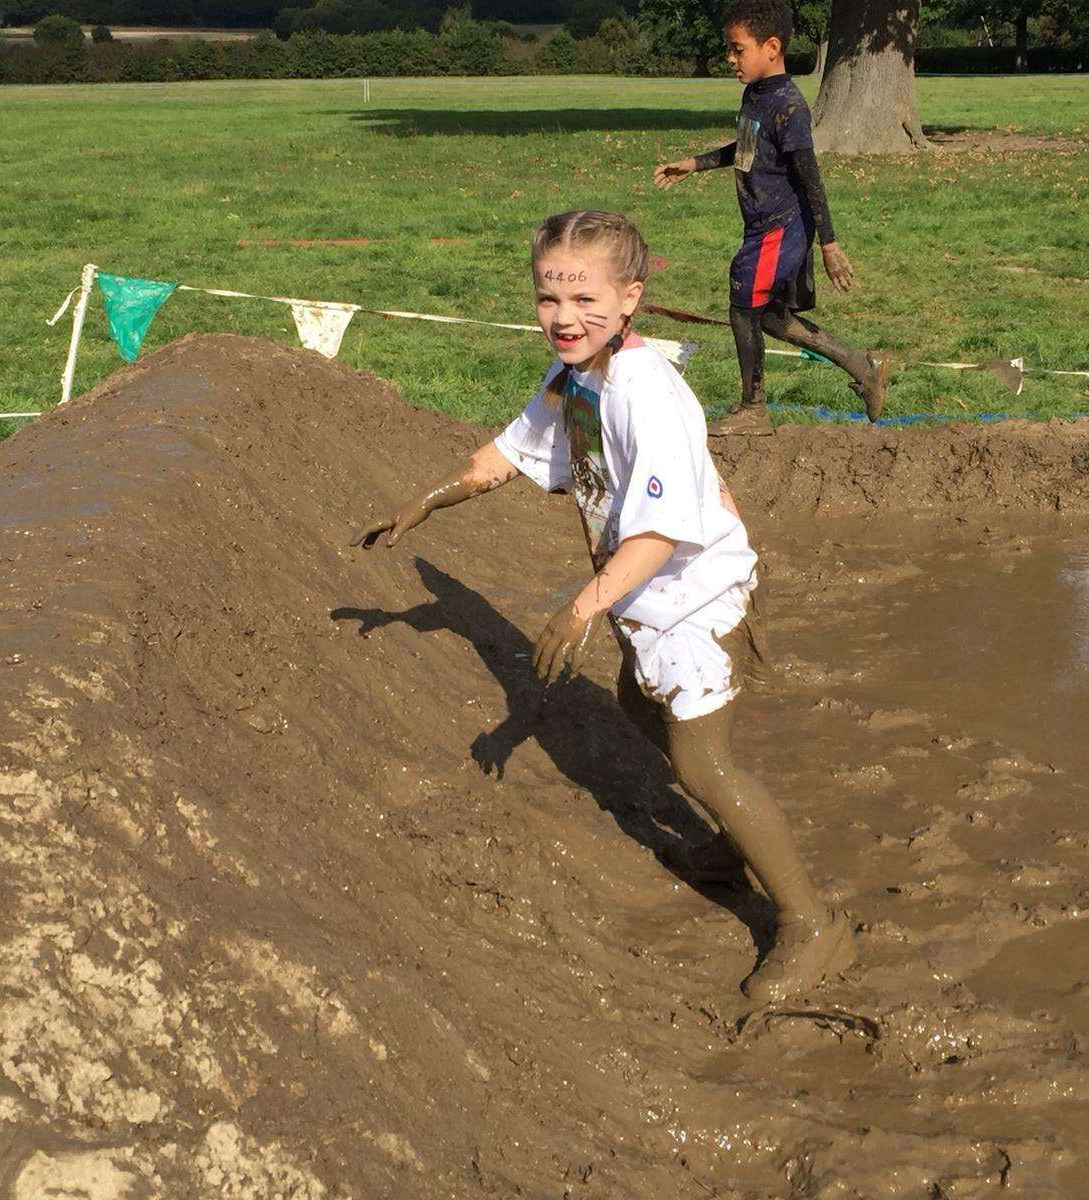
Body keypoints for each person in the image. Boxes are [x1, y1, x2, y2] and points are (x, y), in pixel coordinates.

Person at [352, 210, 855, 1003]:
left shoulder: (645, 395)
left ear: (631, 299)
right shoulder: (575, 375)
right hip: (637, 585)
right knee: (633, 698)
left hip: (691, 590)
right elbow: (508, 452)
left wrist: (577, 609)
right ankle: (730, 845)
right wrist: (425, 503)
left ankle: (809, 921)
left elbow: (656, 536)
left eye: (582, 298)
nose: (562, 317)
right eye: (549, 297)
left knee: (702, 759)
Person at [654, 0, 889, 436]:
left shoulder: (789, 106)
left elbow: (811, 177)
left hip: (781, 228)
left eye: (737, 49)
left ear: (772, 46)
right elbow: (746, 151)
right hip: (762, 228)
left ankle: (753, 408)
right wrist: (695, 163)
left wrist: (830, 244)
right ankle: (861, 366)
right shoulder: (755, 96)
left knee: (743, 300)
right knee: (770, 317)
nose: (730, 59)